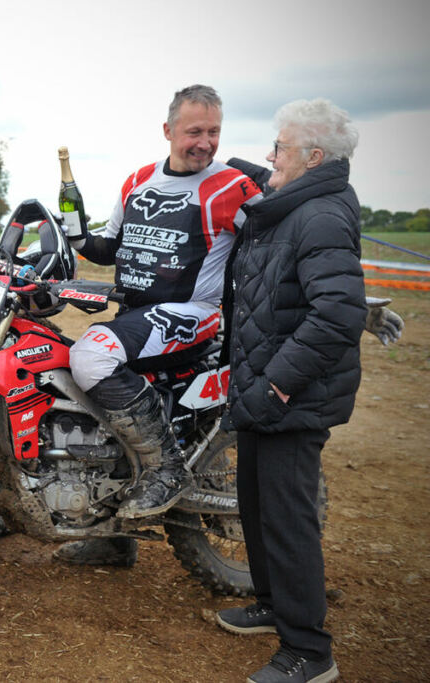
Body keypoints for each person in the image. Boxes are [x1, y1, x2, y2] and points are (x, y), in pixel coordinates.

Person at [55, 85, 264, 566]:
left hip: (192, 313)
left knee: (91, 356)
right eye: (194, 132)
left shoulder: (232, 187)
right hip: (136, 314)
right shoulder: (137, 181)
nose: (205, 143)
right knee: (72, 383)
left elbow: (284, 244)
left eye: (214, 132)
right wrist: (76, 235)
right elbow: (108, 248)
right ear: (168, 130)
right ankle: (111, 535)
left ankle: (166, 467)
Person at [214, 99, 365, 683]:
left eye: (280, 147)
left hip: (291, 395)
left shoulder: (320, 216)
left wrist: (276, 385)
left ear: (314, 158)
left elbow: (337, 315)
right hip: (263, 387)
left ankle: (309, 652)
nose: (270, 155)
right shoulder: (296, 201)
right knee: (256, 505)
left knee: (286, 519)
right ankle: (273, 603)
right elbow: (264, 178)